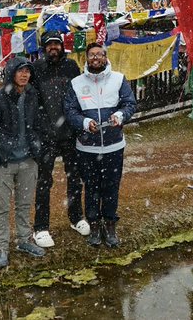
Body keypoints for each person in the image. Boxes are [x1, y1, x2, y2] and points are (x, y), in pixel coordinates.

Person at [64, 42, 136, 248]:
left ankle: (110, 225)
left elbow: (129, 104)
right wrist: (85, 123)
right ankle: (94, 226)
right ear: (86, 59)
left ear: (105, 57)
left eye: (99, 54)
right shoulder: (76, 83)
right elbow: (70, 111)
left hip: (114, 146)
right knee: (92, 189)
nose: (95, 58)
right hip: (87, 148)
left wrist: (120, 115)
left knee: (111, 188)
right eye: (91, 55)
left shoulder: (118, 79)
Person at [0, 57, 47, 269]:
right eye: (20, 71)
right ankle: (1, 246)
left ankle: (24, 240)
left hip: (28, 160)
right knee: (2, 207)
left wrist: (38, 148)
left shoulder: (32, 96)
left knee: (24, 203)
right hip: (4, 162)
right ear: (11, 73)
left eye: (28, 71)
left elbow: (38, 123)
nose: (25, 75)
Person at [30, 30, 88, 248]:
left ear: (62, 46)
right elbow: (33, 101)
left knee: (75, 177)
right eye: (49, 45)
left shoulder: (71, 67)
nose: (53, 48)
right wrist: (38, 128)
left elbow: (78, 97)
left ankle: (76, 217)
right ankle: (41, 227)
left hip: (70, 133)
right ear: (44, 48)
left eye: (56, 44)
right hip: (46, 136)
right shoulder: (36, 69)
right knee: (44, 181)